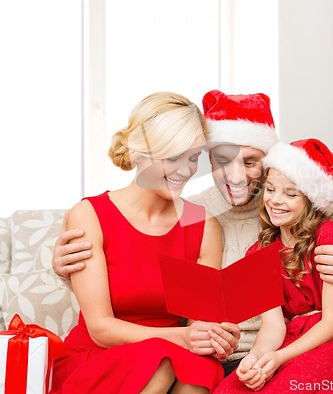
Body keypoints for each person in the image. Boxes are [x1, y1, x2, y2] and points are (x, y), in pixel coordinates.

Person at [53, 90, 333, 393]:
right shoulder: (199, 212)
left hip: (310, 347)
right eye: (220, 160)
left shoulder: (302, 205)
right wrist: (69, 270)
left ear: (272, 161)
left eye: (250, 162)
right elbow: (184, 308)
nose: (235, 176)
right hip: (238, 360)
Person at [51, 92, 234, 394]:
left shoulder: (202, 225)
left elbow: (199, 320)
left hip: (171, 354)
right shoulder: (90, 214)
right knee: (159, 361)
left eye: (193, 158)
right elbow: (101, 329)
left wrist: (214, 334)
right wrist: (185, 339)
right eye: (172, 157)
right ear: (138, 154)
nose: (185, 171)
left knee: (200, 368)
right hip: (99, 358)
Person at [214, 138, 333, 393]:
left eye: (290, 193)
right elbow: (273, 326)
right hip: (296, 334)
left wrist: (279, 358)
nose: (276, 201)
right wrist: (255, 358)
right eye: (270, 190)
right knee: (232, 388)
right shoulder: (256, 253)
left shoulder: (328, 235)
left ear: (310, 200)